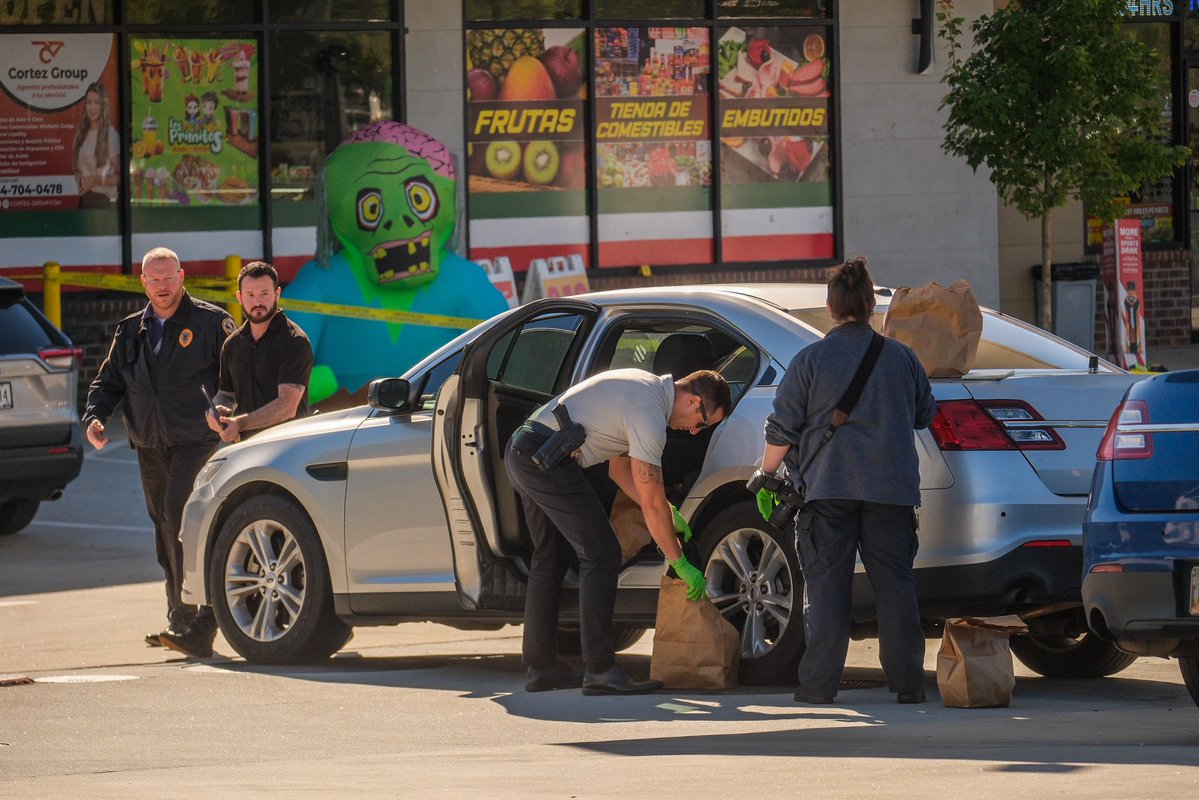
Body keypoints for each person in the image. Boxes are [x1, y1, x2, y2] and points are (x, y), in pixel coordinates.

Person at [758, 256, 935, 705]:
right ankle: (908, 685)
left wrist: (764, 474)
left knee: (827, 589)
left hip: (826, 491)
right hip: (891, 491)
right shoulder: (902, 358)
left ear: (831, 306)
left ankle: (818, 687)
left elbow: (782, 429)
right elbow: (923, 414)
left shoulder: (809, 360)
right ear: (870, 305)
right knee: (896, 587)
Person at [506, 368, 733, 695]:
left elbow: (619, 470)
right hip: (547, 460)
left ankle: (542, 668)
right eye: (702, 423)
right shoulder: (649, 413)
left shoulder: (644, 389)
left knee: (550, 555)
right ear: (693, 400)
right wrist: (679, 562)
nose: (696, 433)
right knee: (602, 554)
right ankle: (599, 670)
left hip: (526, 450)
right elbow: (651, 501)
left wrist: (667, 510)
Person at [83, 247, 237, 658]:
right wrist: (95, 417)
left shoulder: (210, 322)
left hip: (196, 441)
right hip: (150, 443)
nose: (163, 286)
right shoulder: (132, 330)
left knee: (179, 518)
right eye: (155, 279)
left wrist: (226, 410)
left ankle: (201, 616)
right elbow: (109, 381)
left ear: (182, 276)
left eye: (169, 278)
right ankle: (179, 617)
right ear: (143, 283)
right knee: (164, 530)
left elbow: (235, 375)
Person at [207, 261, 312, 442]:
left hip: (289, 447)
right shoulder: (232, 345)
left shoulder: (294, 341)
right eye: (250, 295)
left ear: (277, 294)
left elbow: (288, 406)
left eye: (264, 294)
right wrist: (217, 410)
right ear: (239, 298)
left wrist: (239, 423)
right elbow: (226, 394)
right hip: (246, 448)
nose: (257, 302)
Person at [73, 82, 119, 209]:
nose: (92, 107)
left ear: (103, 105)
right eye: (89, 102)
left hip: (103, 201)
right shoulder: (80, 135)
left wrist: (96, 180)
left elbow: (120, 178)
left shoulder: (110, 135)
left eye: (97, 103)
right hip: (84, 199)